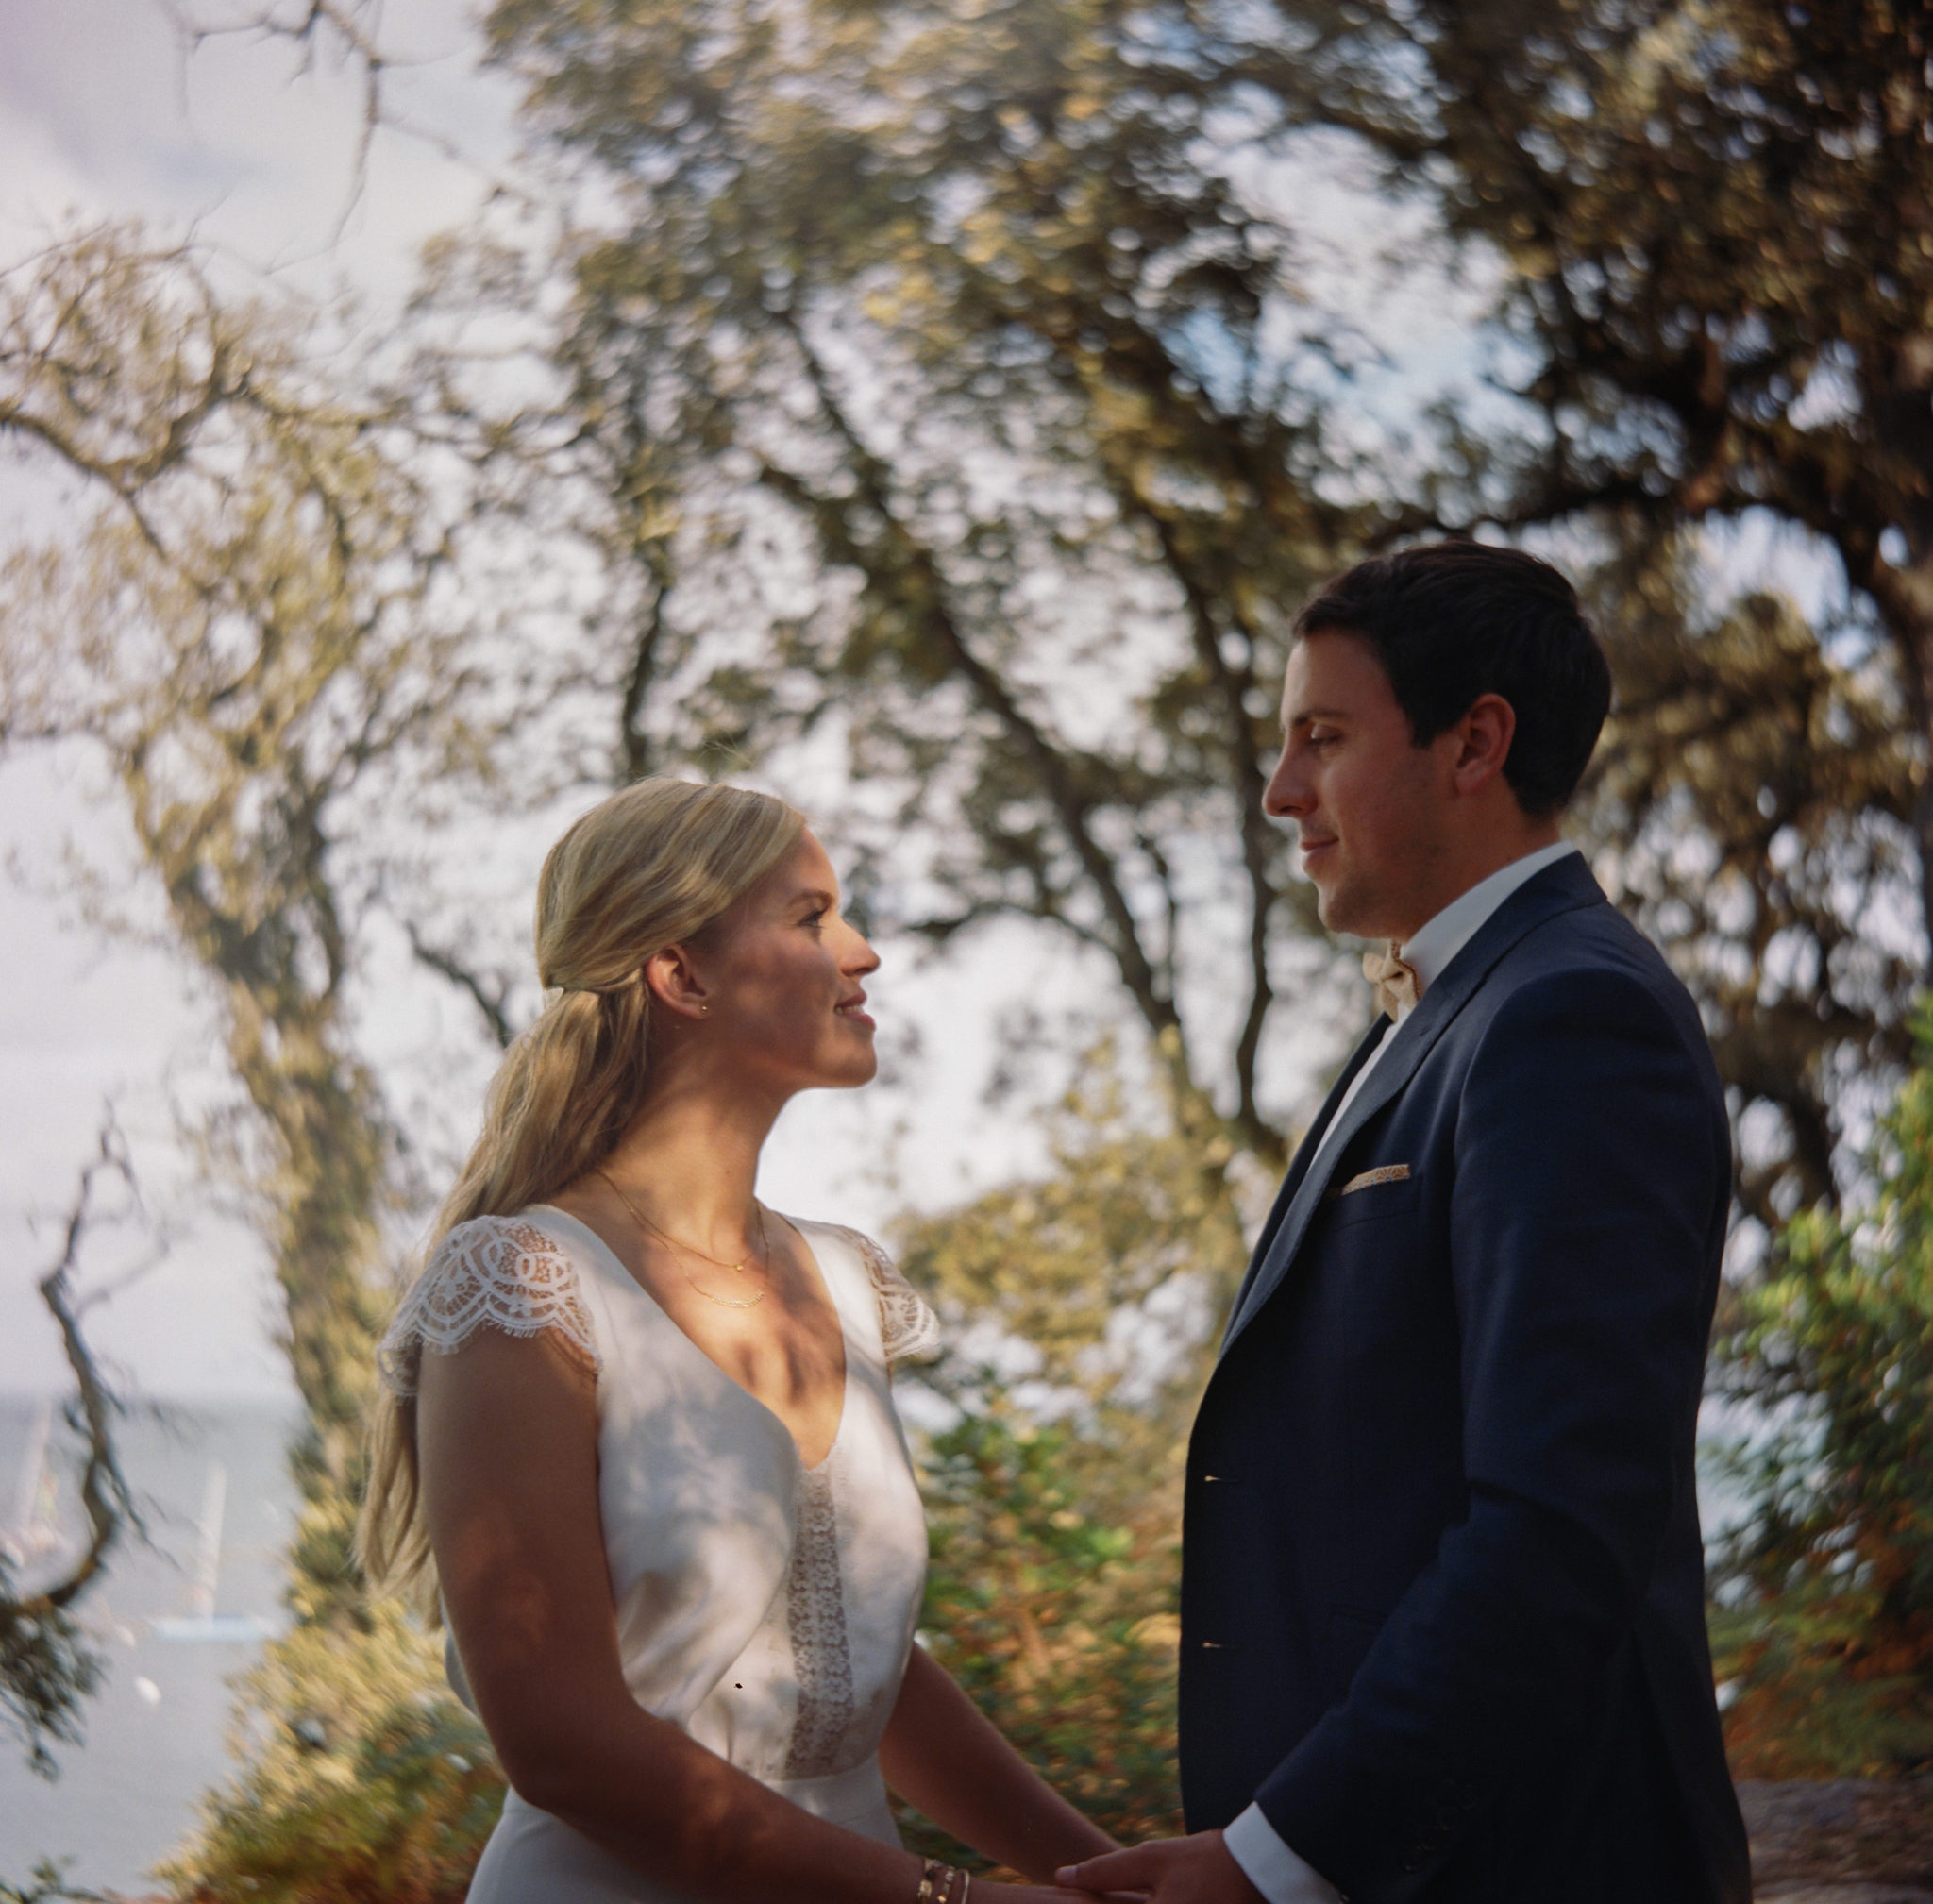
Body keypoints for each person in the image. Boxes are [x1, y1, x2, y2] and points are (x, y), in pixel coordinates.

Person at [1060, 543, 1752, 1904]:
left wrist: (1282, 1857)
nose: (1281, 794)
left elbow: (1560, 1531)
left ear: (1474, 742)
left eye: (1321, 737)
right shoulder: (1451, 1007)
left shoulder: (1568, 1014)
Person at [359, 778, 1111, 1904]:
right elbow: (563, 1745)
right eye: (811, 918)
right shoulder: (523, 1284)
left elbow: (865, 1676)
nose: (862, 953)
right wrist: (954, 1900)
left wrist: (1112, 1874)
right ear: (682, 973)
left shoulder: (847, 1282)